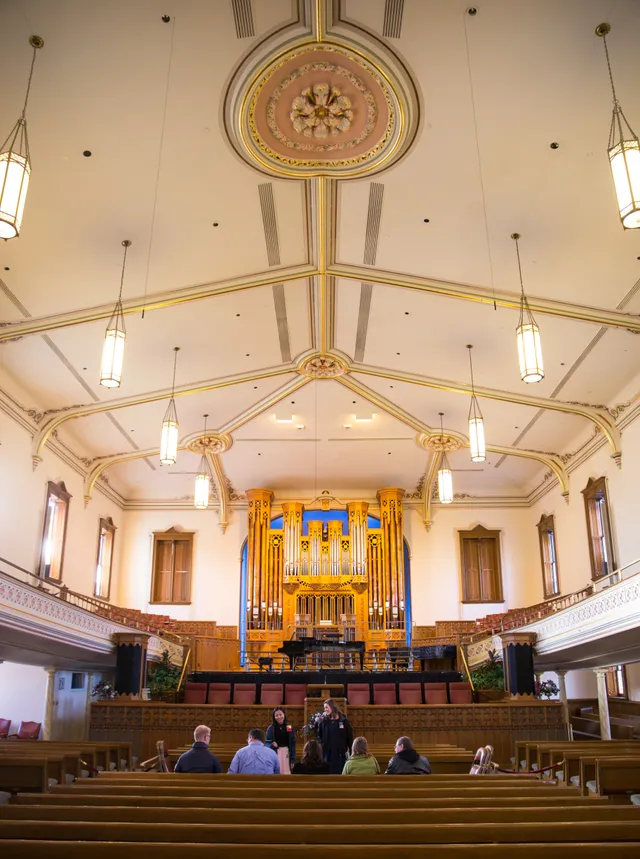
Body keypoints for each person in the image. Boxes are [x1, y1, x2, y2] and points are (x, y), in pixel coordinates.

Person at [316, 698, 353, 775]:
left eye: (326, 707)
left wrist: (351, 752)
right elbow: (319, 736)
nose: (325, 709)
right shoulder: (324, 721)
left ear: (332, 707)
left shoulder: (343, 721)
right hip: (327, 754)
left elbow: (349, 737)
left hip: (340, 755)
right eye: (324, 708)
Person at [265, 707, 296, 775]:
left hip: (286, 753)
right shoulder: (271, 728)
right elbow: (267, 742)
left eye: (280, 714)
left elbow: (293, 743)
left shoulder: (288, 727)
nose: (279, 717)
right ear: (274, 717)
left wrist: (293, 759)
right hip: (275, 753)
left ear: (284, 714)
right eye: (276, 715)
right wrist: (272, 744)